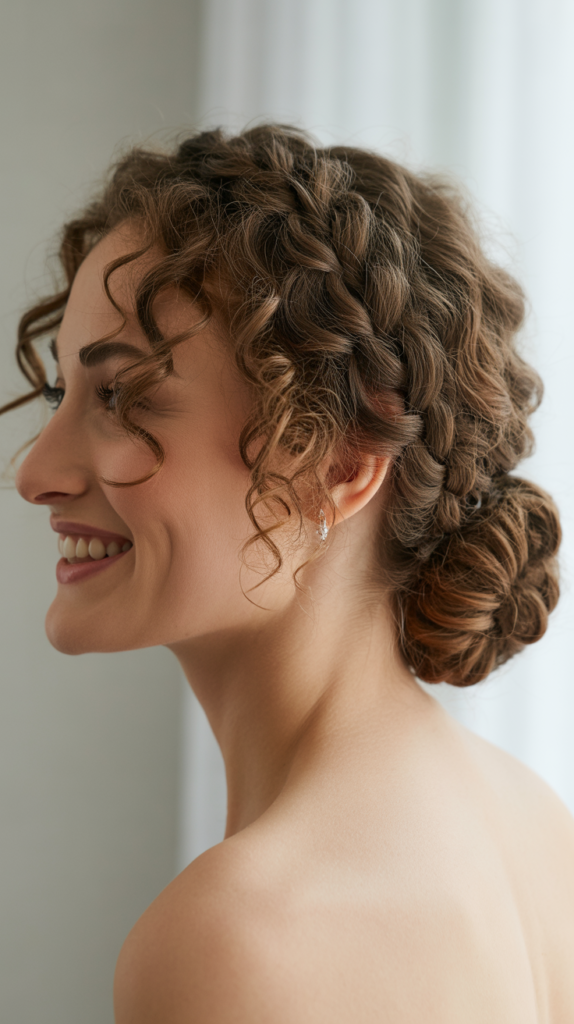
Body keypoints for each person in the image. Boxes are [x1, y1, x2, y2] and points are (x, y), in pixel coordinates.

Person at [3, 124, 573, 1023]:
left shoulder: (237, 940)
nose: (36, 472)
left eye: (119, 395)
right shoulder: (536, 830)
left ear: (341, 464)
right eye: (59, 395)